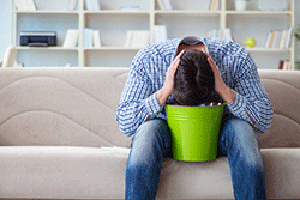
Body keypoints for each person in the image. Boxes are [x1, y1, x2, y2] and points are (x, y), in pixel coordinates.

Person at [116, 36, 273, 200]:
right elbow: (125, 124)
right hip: (167, 132)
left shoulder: (236, 57)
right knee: (147, 132)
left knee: (242, 131)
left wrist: (224, 90)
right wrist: (163, 93)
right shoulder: (149, 59)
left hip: (219, 130)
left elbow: (264, 120)